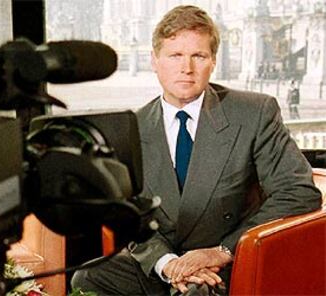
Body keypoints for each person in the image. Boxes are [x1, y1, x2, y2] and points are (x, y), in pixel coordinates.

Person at [71, 5, 321, 295]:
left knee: (197, 292)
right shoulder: (133, 128)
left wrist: (221, 251)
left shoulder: (254, 113)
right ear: (155, 61)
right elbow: (132, 218)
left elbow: (299, 192)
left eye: (198, 56)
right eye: (175, 55)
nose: (186, 68)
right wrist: (166, 264)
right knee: (87, 278)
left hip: (228, 262)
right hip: (165, 264)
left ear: (213, 61)